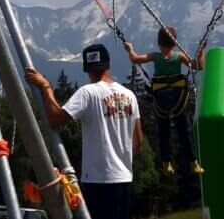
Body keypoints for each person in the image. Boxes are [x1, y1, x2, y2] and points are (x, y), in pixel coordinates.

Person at [25, 44, 141, 219]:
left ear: (87, 69)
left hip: (98, 180)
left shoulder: (87, 93)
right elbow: (138, 139)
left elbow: (56, 119)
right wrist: (122, 160)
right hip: (124, 179)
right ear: (108, 64)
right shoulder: (129, 95)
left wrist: (46, 87)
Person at [125, 26, 203, 176]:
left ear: (158, 42)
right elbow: (197, 66)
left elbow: (135, 59)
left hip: (161, 100)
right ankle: (193, 162)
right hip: (178, 100)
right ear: (174, 44)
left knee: (164, 131)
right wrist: (201, 50)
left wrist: (130, 48)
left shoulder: (155, 56)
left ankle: (166, 163)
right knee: (184, 131)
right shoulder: (179, 56)